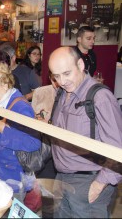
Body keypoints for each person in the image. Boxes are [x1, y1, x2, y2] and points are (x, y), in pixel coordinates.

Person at [48, 46, 122, 218]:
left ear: (80, 65)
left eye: (67, 73)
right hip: (61, 178)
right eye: (56, 76)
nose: (62, 81)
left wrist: (98, 185)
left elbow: (118, 149)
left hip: (88, 181)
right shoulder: (62, 93)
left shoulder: (100, 97)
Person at [0, 62, 41, 199]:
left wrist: (2, 128)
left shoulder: (20, 106)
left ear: (5, 83)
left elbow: (33, 143)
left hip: (12, 175)